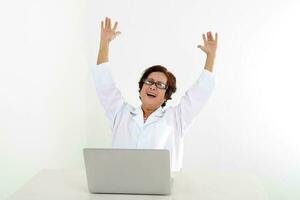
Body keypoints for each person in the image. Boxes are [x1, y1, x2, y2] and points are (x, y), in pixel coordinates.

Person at [92, 17, 218, 171]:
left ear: (166, 95)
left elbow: (200, 93)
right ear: (141, 87)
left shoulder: (176, 118)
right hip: (122, 190)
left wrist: (210, 57)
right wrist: (104, 43)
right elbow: (104, 85)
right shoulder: (121, 114)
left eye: (160, 85)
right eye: (149, 82)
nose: (153, 87)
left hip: (160, 193)